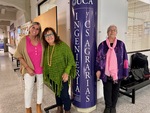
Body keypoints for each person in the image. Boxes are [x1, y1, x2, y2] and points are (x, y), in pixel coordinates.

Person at [42, 27, 76, 113]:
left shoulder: (62, 46)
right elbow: (46, 63)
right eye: (46, 35)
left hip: (63, 75)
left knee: (64, 95)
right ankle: (59, 107)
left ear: (54, 35)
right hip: (52, 75)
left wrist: (67, 72)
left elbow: (71, 60)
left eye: (50, 34)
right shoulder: (46, 48)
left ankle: (67, 110)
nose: (49, 37)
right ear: (44, 38)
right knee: (57, 92)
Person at [96, 25, 128, 113]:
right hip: (105, 73)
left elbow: (125, 58)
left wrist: (125, 72)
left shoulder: (121, 44)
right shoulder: (102, 45)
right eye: (110, 30)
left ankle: (113, 106)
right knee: (107, 90)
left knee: (115, 91)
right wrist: (98, 70)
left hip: (118, 73)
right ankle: (108, 106)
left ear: (116, 32)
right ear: (107, 32)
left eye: (114, 30)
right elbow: (98, 59)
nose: (112, 31)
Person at [14, 22, 44, 113]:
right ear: (29, 28)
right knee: (28, 89)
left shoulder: (41, 40)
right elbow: (19, 55)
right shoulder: (23, 40)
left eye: (37, 29)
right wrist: (27, 67)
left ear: (39, 31)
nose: (35, 30)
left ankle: (38, 106)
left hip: (40, 68)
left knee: (40, 87)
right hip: (28, 69)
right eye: (33, 27)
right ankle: (28, 109)